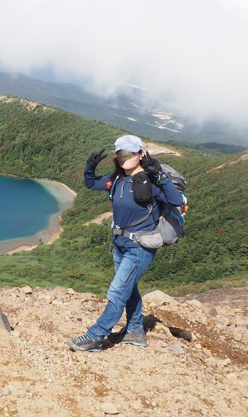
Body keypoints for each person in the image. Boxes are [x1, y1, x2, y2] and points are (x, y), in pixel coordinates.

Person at [67, 134, 184, 352]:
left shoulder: (151, 181)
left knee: (118, 291)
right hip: (119, 243)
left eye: (130, 153)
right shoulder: (117, 178)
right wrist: (89, 167)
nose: (125, 158)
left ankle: (96, 337)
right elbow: (90, 183)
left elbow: (177, 200)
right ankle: (136, 331)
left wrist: (160, 175)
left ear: (142, 155)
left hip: (139, 248)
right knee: (128, 289)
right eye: (121, 154)